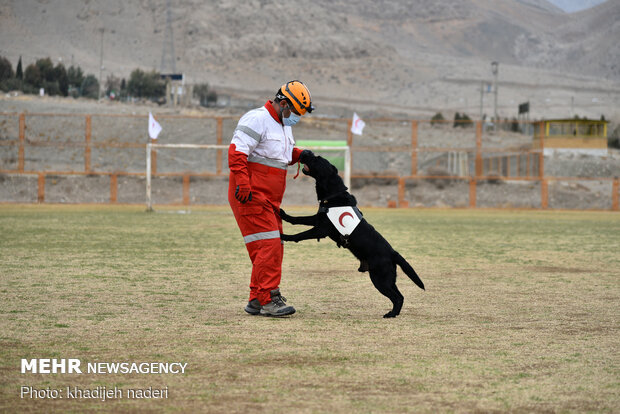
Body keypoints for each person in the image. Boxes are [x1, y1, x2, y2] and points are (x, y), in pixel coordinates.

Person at [228, 80, 314, 317]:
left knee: (271, 245)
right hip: (250, 194)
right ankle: (269, 299)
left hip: (270, 199)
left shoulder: (284, 125)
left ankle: (257, 298)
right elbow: (236, 152)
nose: (296, 117)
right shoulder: (256, 119)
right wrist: (244, 184)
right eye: (295, 112)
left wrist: (303, 155)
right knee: (269, 245)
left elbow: (282, 157)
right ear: (283, 103)